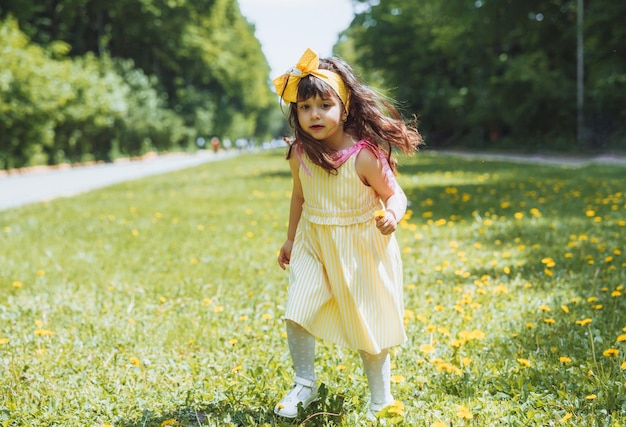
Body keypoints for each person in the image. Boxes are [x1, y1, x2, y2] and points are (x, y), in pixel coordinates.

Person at [272, 48, 423, 421]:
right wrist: (291, 239)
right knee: (297, 311)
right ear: (296, 113)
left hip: (360, 249)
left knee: (368, 323)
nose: (314, 115)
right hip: (314, 242)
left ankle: (381, 400)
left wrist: (392, 214)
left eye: (324, 105)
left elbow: (395, 194)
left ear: (345, 105)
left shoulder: (364, 155)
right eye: (305, 108)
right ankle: (304, 385)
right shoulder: (299, 154)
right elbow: (299, 195)